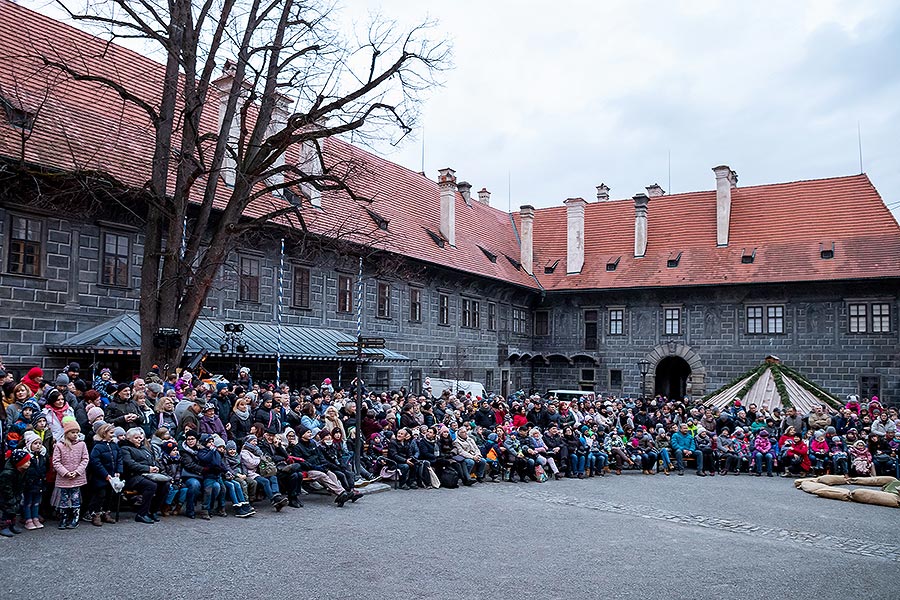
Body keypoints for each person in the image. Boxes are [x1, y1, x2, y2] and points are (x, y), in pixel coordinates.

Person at [120, 427, 170, 524]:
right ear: (129, 439)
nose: (139, 440)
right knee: (151, 485)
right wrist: (148, 469)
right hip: (133, 476)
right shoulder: (125, 449)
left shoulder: (145, 448)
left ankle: (153, 510)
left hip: (149, 474)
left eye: (140, 437)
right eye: (136, 438)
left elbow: (153, 460)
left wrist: (155, 467)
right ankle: (142, 513)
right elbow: (130, 464)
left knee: (165, 484)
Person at [51, 416, 89, 529]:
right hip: (64, 478)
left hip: (77, 477)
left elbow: (85, 459)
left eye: (77, 432)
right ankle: (63, 518)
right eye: (73, 432)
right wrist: (65, 472)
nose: (75, 434)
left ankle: (75, 519)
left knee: (75, 498)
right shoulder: (59, 445)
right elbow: (56, 461)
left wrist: (77, 472)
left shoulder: (82, 444)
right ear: (67, 433)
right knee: (64, 499)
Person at [86, 422, 122, 526]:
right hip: (100, 477)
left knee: (109, 495)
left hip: (112, 475)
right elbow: (95, 462)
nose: (113, 435)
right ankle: (95, 514)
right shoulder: (97, 447)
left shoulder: (114, 445)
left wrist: (118, 471)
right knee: (100, 495)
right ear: (104, 433)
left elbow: (119, 458)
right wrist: (104, 474)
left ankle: (106, 512)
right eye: (111, 433)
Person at [0, 449, 32, 537]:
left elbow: (22, 483)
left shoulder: (22, 471)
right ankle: (3, 527)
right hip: (6, 495)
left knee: (14, 509)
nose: (29, 463)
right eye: (26, 461)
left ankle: (12, 525)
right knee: (7, 510)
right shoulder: (7, 473)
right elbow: (5, 488)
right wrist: (10, 497)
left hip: (16, 492)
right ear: (19, 463)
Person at [21, 431, 47, 529]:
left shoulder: (41, 457)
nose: (38, 446)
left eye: (40, 443)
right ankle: (28, 519)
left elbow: (44, 468)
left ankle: (35, 517)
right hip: (29, 484)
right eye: (35, 443)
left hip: (39, 483)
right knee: (28, 502)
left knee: (36, 502)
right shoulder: (27, 457)